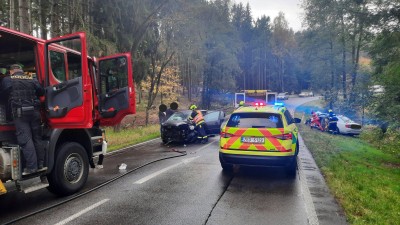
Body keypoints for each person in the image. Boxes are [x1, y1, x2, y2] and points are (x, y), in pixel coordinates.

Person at [0, 64, 45, 175]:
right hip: (35, 113)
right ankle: (40, 164)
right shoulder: (32, 79)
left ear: (11, 71)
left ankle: (32, 167)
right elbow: (42, 92)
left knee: (26, 139)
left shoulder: (7, 80)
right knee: (37, 138)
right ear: (21, 70)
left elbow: (2, 96)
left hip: (21, 115)